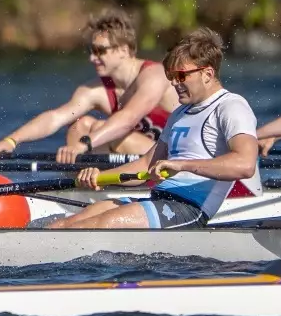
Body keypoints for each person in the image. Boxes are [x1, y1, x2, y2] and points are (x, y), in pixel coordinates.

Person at [49, 29, 259, 230]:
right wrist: (99, 176)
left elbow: (245, 165)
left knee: (91, 227)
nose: (174, 83)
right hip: (158, 199)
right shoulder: (179, 113)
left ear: (207, 73)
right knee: (62, 225)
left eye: (181, 76)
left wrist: (182, 165)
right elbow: (145, 165)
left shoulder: (231, 106)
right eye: (170, 76)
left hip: (188, 209)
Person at [0, 10, 178, 162]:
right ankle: (81, 184)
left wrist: (85, 145)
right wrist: (11, 141)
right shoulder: (96, 90)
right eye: (91, 50)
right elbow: (55, 118)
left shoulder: (154, 75)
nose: (92, 58)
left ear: (124, 50)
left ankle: (92, 181)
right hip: (140, 159)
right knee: (80, 125)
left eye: (100, 51)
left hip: (175, 158)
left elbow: (128, 119)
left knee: (98, 129)